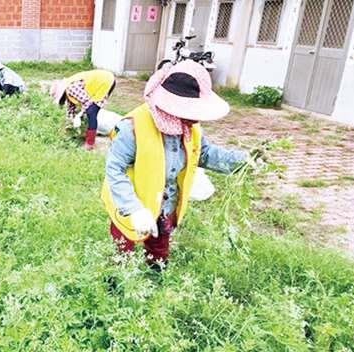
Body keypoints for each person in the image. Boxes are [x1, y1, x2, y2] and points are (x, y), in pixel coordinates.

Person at [100, 60, 250, 270]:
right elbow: (115, 170)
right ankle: (115, 289)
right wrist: (134, 210)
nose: (195, 119)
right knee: (122, 252)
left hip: (165, 206)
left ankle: (155, 282)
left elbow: (204, 153)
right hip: (130, 206)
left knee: (159, 252)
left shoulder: (190, 128)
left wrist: (244, 161)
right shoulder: (132, 127)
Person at [50, 69, 116, 150]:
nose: (62, 101)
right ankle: (89, 136)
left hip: (104, 81)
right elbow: (71, 110)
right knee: (90, 111)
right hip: (102, 81)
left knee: (91, 112)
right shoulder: (68, 92)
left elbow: (87, 102)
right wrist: (68, 124)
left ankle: (90, 143)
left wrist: (80, 115)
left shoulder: (71, 88)